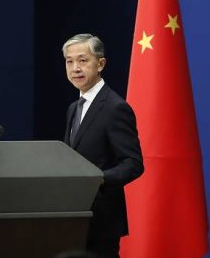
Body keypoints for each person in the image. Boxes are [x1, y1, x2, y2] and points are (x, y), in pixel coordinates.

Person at [62, 33, 143, 258]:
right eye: (70, 61)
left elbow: (133, 163)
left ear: (100, 64)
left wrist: (98, 179)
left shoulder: (115, 108)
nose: (75, 67)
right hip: (74, 216)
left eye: (83, 60)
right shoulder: (73, 108)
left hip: (102, 221)